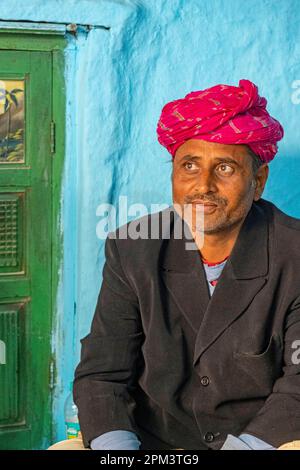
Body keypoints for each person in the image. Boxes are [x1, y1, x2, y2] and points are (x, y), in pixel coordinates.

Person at [73, 79, 300, 450]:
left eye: (225, 168)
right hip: (153, 443)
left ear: (258, 181)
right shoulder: (133, 248)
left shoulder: (295, 254)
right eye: (189, 165)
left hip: (258, 441)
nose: (203, 185)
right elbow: (103, 373)